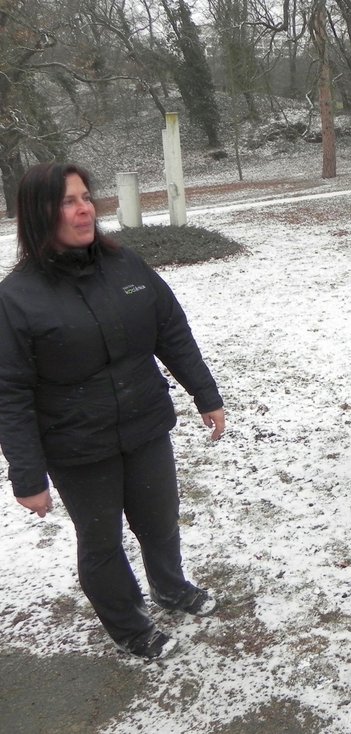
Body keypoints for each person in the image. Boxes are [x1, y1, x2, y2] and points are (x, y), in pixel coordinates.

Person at [0, 162, 227, 661]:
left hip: (145, 424)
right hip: (78, 446)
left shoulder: (127, 267)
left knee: (161, 519)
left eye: (85, 197)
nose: (83, 209)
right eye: (67, 201)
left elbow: (171, 330)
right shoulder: (17, 299)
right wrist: (27, 476)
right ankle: (128, 624)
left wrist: (205, 395)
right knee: (102, 542)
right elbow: (9, 392)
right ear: (39, 214)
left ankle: (170, 588)